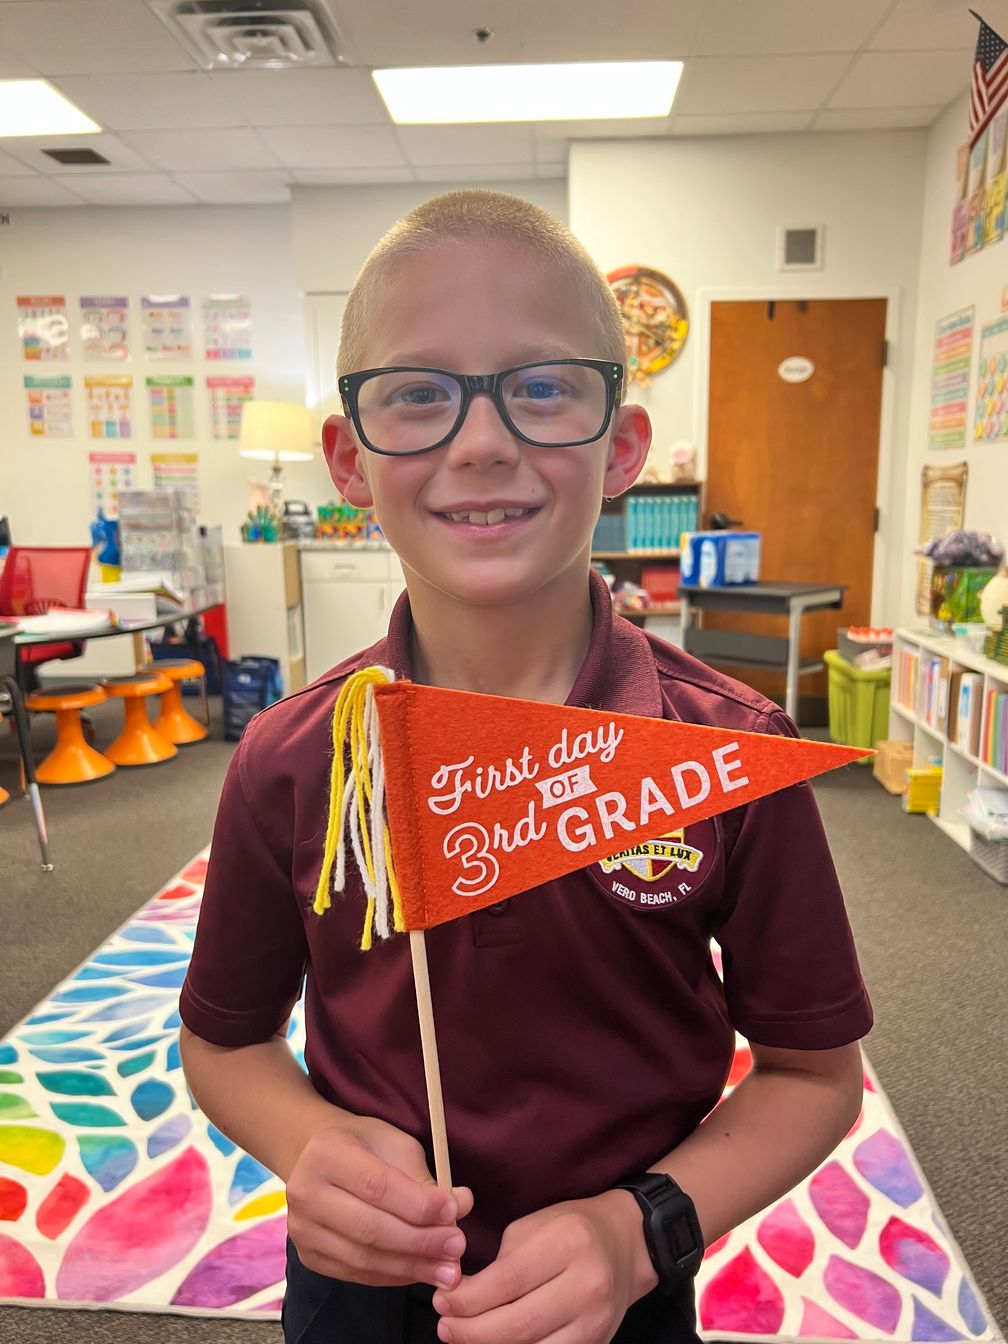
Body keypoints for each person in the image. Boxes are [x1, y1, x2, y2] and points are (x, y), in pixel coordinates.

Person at [179, 189, 872, 1344]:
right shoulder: (294, 758)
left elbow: (815, 1075)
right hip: (363, 1294)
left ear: (624, 447)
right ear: (349, 461)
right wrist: (309, 1144)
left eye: (544, 387)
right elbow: (225, 1038)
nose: (483, 441)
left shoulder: (726, 753)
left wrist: (645, 1229)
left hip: (624, 1290)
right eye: (419, 394)